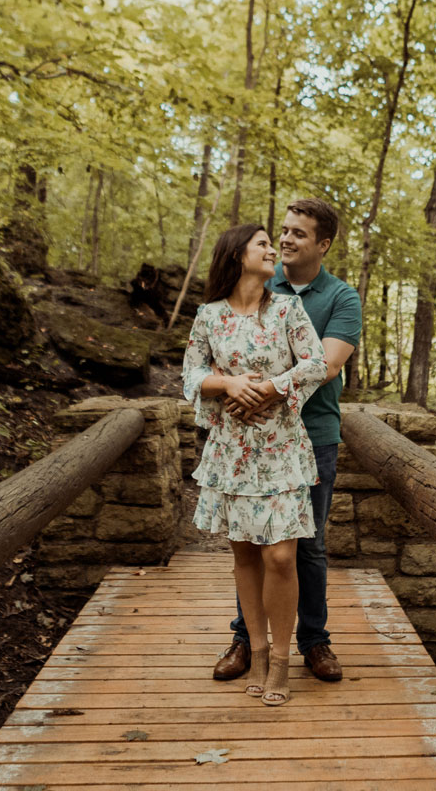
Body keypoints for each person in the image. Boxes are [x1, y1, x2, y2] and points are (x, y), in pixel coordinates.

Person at [211, 198, 361, 685]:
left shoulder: (341, 298)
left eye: (299, 232)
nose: (286, 239)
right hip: (249, 437)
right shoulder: (258, 283)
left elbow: (328, 364)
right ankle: (245, 638)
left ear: (324, 244)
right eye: (284, 230)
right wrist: (232, 390)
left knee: (307, 545)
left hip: (312, 436)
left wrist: (265, 392)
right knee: (251, 541)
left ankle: (314, 641)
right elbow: (220, 349)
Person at [182, 223, 328, 706]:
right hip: (232, 449)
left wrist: (269, 388)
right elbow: (191, 375)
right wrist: (227, 386)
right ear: (236, 255)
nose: (272, 249)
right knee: (245, 555)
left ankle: (282, 659)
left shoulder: (288, 308)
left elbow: (315, 364)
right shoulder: (208, 316)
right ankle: (258, 654)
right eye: (263, 243)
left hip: (281, 446)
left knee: (281, 557)